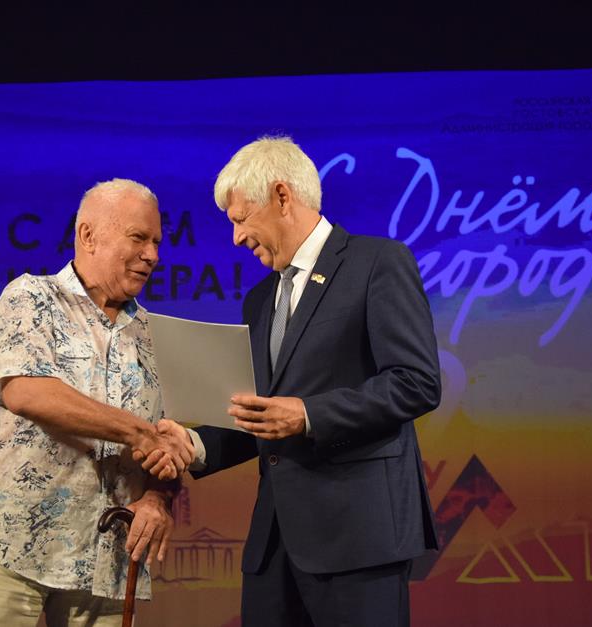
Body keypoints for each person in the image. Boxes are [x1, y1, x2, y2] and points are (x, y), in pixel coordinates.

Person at [164, 136, 441, 626]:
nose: (235, 238)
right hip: (275, 547)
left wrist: (310, 415)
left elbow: (415, 381)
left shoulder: (377, 263)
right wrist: (194, 444)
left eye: (240, 219)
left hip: (358, 539)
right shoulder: (258, 300)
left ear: (281, 196)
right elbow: (264, 414)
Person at [0, 178, 195, 627]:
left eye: (157, 242)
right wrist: (138, 432)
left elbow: (167, 444)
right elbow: (26, 391)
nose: (153, 255)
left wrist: (157, 498)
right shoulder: (31, 298)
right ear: (88, 235)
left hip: (107, 562)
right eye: (138, 238)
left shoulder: (155, 336)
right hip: (11, 547)